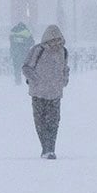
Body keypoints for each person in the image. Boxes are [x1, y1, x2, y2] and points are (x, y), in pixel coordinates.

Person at [22, 24, 69, 159]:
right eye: (52, 40)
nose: (55, 43)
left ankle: (50, 149)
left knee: (54, 122)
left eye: (58, 40)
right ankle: (46, 149)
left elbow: (65, 68)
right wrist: (37, 80)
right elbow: (26, 67)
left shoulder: (64, 52)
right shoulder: (38, 50)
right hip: (38, 93)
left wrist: (64, 80)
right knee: (41, 122)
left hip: (55, 93)